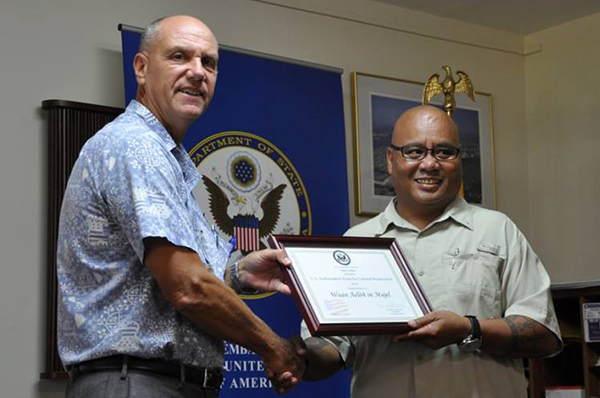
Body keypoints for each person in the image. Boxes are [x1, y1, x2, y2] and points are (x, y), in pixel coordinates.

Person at [56, 15, 303, 398]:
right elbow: (187, 286)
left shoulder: (166, 156)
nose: (198, 72)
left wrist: (238, 271)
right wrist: (275, 347)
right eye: (179, 57)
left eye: (209, 62)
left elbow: (164, 272)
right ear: (141, 68)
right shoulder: (137, 147)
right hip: (135, 383)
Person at [273, 105, 563, 397]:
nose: (429, 164)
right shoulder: (356, 243)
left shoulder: (498, 231)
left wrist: (468, 329)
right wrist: (300, 359)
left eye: (444, 151)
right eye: (413, 151)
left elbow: (543, 334)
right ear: (390, 159)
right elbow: (334, 348)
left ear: (459, 160)